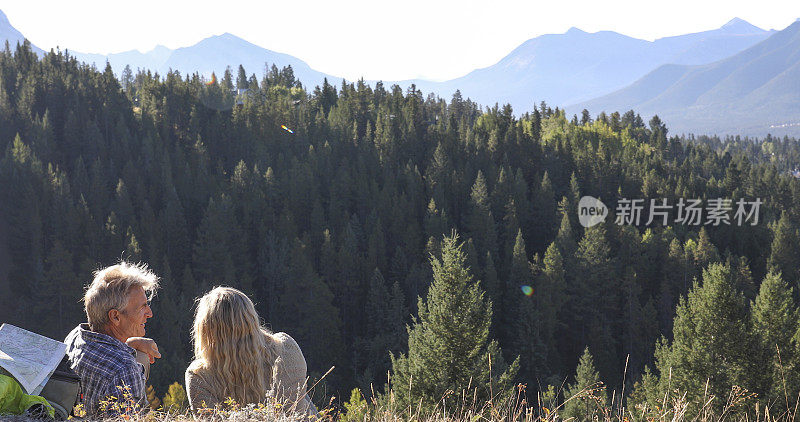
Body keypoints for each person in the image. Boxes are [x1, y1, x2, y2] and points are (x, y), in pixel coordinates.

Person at [185, 287, 317, 416]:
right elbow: (294, 412)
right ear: (251, 318)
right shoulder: (285, 350)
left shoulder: (199, 376)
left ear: (205, 330)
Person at [64, 262, 162, 417]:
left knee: (141, 356)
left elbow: (105, 352)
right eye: (142, 307)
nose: (149, 313)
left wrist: (131, 343)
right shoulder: (125, 369)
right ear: (115, 316)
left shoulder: (76, 336)